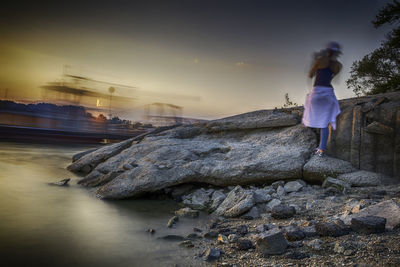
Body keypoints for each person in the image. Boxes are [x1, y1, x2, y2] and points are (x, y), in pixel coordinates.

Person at [302, 41, 342, 156]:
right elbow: (332, 77)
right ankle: (321, 149)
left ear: (327, 50)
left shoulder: (320, 60)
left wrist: (315, 59)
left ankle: (309, 143)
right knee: (325, 122)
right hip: (328, 93)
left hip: (317, 92)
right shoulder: (338, 65)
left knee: (308, 115)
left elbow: (310, 74)